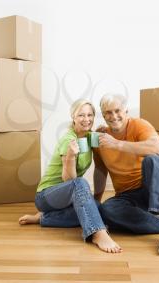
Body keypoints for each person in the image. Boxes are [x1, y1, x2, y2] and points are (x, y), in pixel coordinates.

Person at [93, 93, 159, 255]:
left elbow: (158, 148)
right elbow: (100, 171)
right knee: (107, 210)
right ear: (102, 114)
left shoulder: (139, 124)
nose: (113, 116)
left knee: (153, 160)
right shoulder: (100, 138)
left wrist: (117, 144)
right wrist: (96, 202)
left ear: (126, 110)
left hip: (152, 188)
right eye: (108, 112)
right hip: (126, 196)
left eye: (117, 110)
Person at [19, 99, 122, 253]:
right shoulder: (68, 140)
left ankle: (43, 218)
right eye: (81, 115)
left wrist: (107, 131)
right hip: (47, 195)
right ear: (73, 116)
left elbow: (105, 150)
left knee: (98, 208)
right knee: (80, 184)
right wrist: (71, 157)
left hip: (67, 197)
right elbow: (71, 181)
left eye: (90, 115)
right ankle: (97, 233)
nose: (86, 119)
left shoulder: (89, 138)